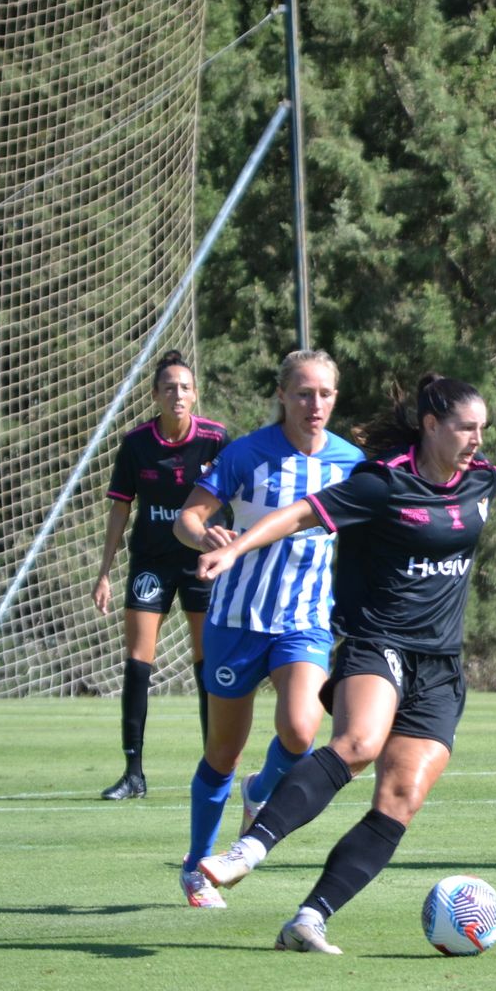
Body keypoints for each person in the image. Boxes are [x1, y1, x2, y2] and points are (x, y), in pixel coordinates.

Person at [192, 373, 496, 952]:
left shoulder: (477, 482)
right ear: (432, 425)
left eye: (482, 429)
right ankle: (248, 849)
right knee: (359, 744)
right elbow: (298, 515)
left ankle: (309, 919)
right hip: (377, 642)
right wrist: (234, 548)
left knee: (400, 800)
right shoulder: (381, 485)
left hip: (440, 667)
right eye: (467, 427)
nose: (477, 439)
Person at [170, 349, 363, 908]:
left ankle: (261, 791)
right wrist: (204, 535)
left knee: (303, 732)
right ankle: (196, 867)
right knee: (222, 753)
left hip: (304, 621)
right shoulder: (246, 454)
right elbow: (189, 517)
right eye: (304, 393)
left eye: (325, 393)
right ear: (282, 396)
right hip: (235, 620)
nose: (315, 404)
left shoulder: (352, 462)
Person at [94, 350, 228, 800]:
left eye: (185, 387)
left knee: (207, 661)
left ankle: (216, 769)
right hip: (150, 562)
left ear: (195, 395)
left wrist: (238, 546)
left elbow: (240, 495)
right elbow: (119, 508)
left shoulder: (216, 439)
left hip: (200, 562)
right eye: (169, 387)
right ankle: (133, 773)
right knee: (137, 661)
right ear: (155, 395)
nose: (178, 394)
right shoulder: (136, 444)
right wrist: (104, 572)